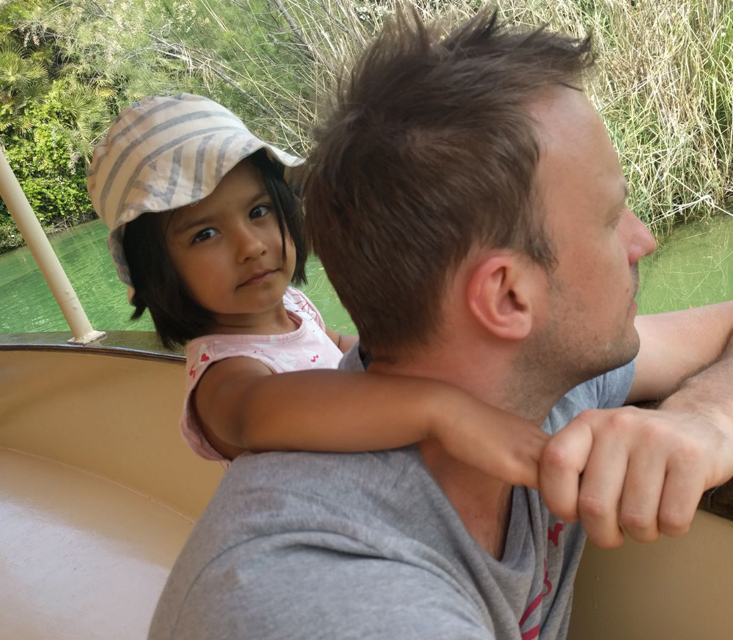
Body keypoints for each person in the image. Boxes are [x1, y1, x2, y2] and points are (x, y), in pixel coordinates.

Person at [148, 11, 733, 640]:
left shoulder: (541, 392)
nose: (644, 241)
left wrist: (707, 420)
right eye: (613, 219)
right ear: (508, 297)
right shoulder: (331, 596)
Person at [86, 93, 548, 483]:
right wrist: (438, 408)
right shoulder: (223, 377)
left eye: (259, 211)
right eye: (204, 234)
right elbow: (259, 413)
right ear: (157, 272)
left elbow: (340, 351)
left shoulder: (292, 307)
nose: (250, 247)